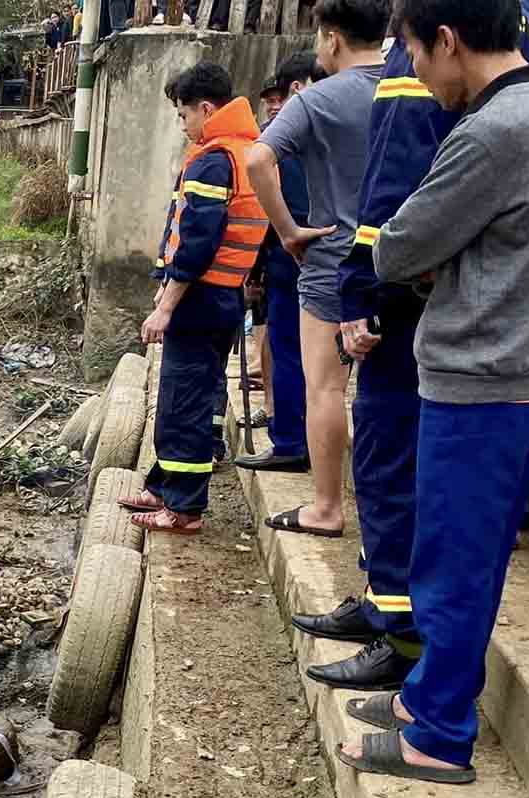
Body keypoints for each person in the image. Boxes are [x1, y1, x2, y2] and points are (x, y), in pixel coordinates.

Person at [295, 0, 529, 694]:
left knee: (421, 503)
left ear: (442, 43)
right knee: (450, 530)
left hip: (465, 350)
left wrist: (365, 286)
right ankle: (395, 622)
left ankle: (415, 669)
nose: (407, 60)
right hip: (504, 343)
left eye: (410, 48)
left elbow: (400, 212)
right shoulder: (524, 57)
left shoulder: (486, 111)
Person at [246, 0, 389, 539]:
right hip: (403, 260)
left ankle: (327, 508)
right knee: (393, 392)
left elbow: (258, 159)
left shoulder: (316, 99)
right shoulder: (413, 86)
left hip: (332, 260)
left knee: (326, 389)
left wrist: (287, 230)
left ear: (332, 38)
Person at [118, 62, 268, 535]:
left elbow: (197, 245)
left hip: (201, 298)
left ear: (205, 109)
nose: (182, 125)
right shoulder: (248, 153)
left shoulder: (213, 161)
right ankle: (164, 486)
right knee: (184, 395)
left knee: (184, 402)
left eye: (184, 115)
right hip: (223, 295)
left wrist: (165, 305)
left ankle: (183, 508)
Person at [237, 52, 322, 472]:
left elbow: (264, 209)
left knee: (288, 349)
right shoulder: (347, 119)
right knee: (325, 362)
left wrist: (255, 267)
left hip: (293, 251)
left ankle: (290, 440)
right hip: (340, 248)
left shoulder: (282, 136)